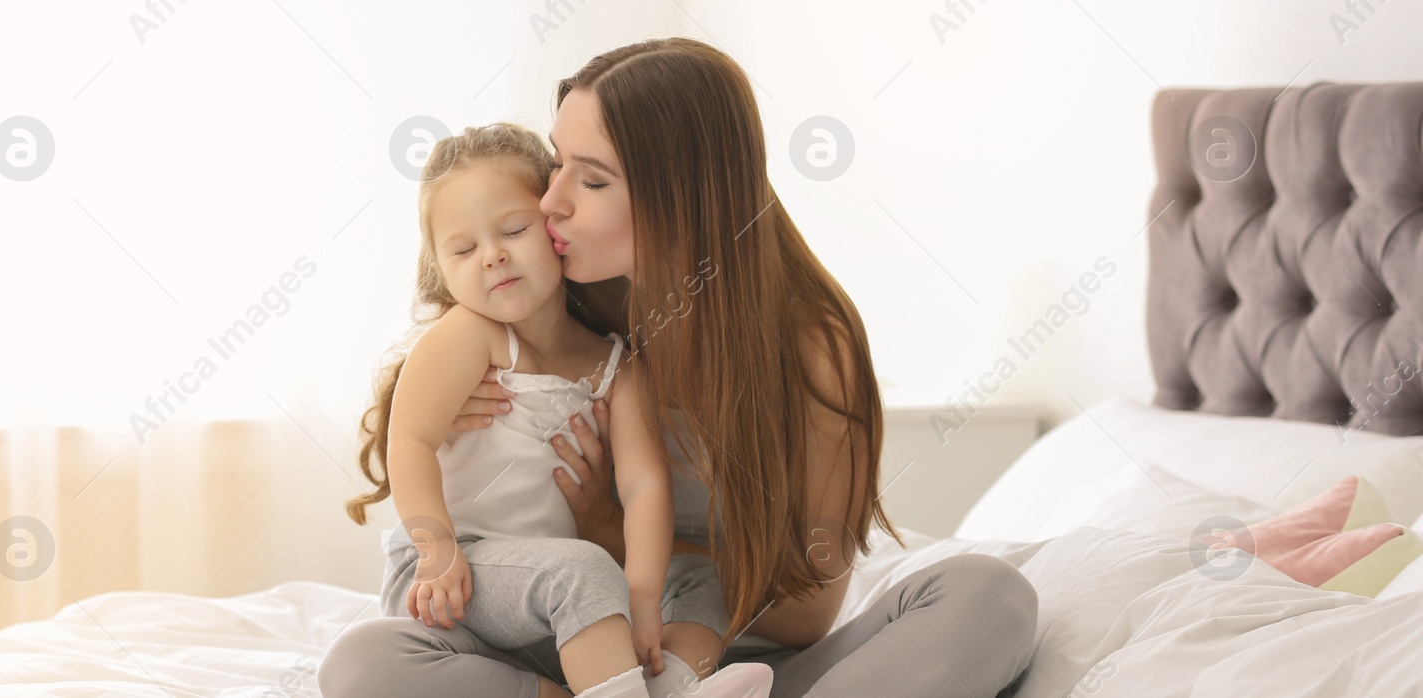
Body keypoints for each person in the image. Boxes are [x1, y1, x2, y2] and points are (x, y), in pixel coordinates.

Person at [320, 38, 1039, 698]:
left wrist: (608, 523)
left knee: (987, 594)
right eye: (556, 164)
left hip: (739, 664)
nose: (550, 202)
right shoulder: (580, 295)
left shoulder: (814, 348)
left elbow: (805, 614)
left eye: (591, 181)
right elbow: (442, 361)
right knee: (364, 662)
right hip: (569, 655)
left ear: (681, 197)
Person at [334, 122, 773, 698]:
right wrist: (436, 548)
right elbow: (409, 441)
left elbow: (645, 485)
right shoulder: (469, 336)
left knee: (701, 579)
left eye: (513, 230)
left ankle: (673, 687)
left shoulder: (617, 367)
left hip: (548, 601)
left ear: (553, 231)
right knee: (581, 570)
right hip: (459, 574)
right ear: (439, 268)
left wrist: (642, 599)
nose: (491, 256)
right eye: (463, 249)